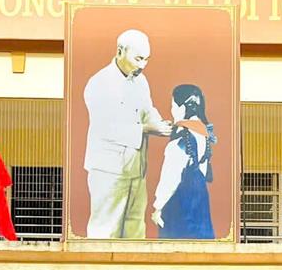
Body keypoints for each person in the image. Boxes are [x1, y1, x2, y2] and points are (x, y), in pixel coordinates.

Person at [84, 28, 174, 239]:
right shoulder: (99, 83)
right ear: (120, 51)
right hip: (108, 171)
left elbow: (147, 110)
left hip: (136, 168)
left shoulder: (140, 81)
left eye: (146, 59)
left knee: (135, 229)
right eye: (138, 59)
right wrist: (146, 129)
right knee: (105, 230)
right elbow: (106, 127)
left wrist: (160, 124)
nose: (142, 65)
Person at [153, 83, 216, 240]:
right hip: (200, 202)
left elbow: (170, 179)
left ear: (182, 107)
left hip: (179, 206)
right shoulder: (203, 134)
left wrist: (158, 207)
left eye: (173, 105)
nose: (172, 110)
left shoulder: (179, 142)